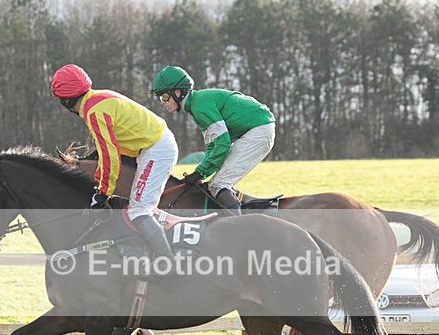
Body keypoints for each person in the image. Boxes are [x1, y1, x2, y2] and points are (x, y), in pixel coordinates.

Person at [51, 64, 178, 260]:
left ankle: (167, 261)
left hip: (156, 148)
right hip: (153, 145)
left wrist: (103, 192)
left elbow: (110, 156)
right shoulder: (97, 98)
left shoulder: (94, 112)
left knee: (139, 210)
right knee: (135, 205)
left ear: (66, 100)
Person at [151, 66, 276, 216]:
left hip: (259, 131)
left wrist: (200, 173)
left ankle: (239, 224)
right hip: (258, 129)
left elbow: (222, 144)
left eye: (165, 96)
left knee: (218, 184)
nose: (163, 102)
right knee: (215, 184)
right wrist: (200, 173)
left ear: (177, 92)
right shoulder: (196, 105)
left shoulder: (199, 106)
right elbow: (212, 146)